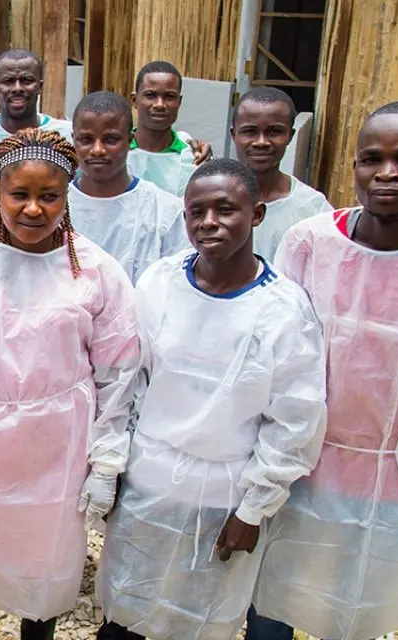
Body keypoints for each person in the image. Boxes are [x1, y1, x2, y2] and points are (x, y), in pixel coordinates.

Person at [0, 129, 141, 640]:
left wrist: (106, 461)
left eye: (49, 195)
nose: (33, 209)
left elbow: (119, 373)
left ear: (68, 195)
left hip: (55, 454)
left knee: (44, 574)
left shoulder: (94, 270)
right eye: (20, 194)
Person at [253, 101, 398, 640]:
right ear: (355, 166)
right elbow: (274, 344)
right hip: (295, 465)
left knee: (354, 608)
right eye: (372, 158)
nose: (388, 172)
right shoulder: (311, 244)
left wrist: (391, 419)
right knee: (272, 601)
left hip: (390, 473)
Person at [94, 159, 326, 640]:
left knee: (199, 616)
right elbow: (128, 382)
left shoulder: (283, 311)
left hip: (225, 494)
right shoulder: (160, 284)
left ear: (257, 213)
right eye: (196, 211)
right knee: (126, 610)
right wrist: (111, 466)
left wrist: (254, 509)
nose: (209, 222)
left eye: (226, 209)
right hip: (148, 482)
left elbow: (293, 422)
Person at [68, 91, 187, 283]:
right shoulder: (56, 208)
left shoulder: (164, 211)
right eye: (86, 140)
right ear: (74, 140)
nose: (98, 150)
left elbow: (178, 283)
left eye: (111, 140)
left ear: (130, 140)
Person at [231, 87, 332, 260]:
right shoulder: (210, 201)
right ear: (234, 135)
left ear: (290, 136)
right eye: (250, 132)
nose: (261, 142)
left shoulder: (313, 208)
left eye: (274, 132)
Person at [127, 60, 212, 197]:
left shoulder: (193, 157)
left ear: (179, 101)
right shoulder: (117, 152)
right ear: (134, 100)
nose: (160, 105)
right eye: (150, 95)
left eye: (169, 97)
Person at [0, 49, 74, 169]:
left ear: (40, 87)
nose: (17, 88)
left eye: (26, 80)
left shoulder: (65, 135)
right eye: (8, 81)